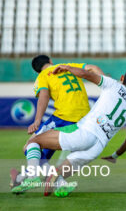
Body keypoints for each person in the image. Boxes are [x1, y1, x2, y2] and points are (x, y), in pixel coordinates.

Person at [11, 66, 126, 197]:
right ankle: (60, 184)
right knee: (56, 175)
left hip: (84, 133)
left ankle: (33, 175)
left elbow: (86, 74)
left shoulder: (113, 84)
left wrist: (67, 68)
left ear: (122, 78)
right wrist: (114, 156)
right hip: (97, 148)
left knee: (34, 141)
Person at [10, 55, 103, 188]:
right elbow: (93, 68)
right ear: (51, 61)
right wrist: (108, 84)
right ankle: (27, 179)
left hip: (64, 117)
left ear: (37, 70)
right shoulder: (68, 65)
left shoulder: (43, 75)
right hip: (85, 119)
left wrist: (37, 121)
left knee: (30, 145)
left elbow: (44, 95)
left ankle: (35, 177)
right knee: (42, 156)